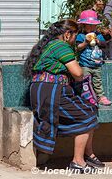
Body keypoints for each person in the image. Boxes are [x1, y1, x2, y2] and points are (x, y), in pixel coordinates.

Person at [23, 20, 104, 173]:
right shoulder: (61, 46)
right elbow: (78, 73)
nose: (75, 40)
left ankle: (87, 155)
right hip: (52, 91)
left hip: (43, 90)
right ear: (67, 35)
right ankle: (78, 161)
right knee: (88, 116)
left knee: (89, 110)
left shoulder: (49, 45)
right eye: (75, 36)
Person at [76, 10, 112, 106]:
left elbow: (104, 45)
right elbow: (78, 47)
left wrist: (98, 41)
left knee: (97, 82)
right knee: (85, 82)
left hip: (97, 64)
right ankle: (85, 97)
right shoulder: (81, 36)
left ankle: (101, 97)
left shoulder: (98, 35)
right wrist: (85, 42)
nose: (92, 27)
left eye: (94, 25)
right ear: (83, 25)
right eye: (89, 25)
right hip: (85, 65)